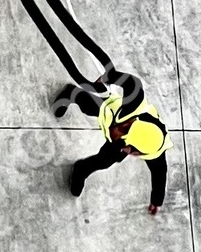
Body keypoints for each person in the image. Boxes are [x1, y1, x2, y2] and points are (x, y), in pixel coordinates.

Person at [56, 76, 168, 213]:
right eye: (126, 127)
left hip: (118, 144)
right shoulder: (132, 109)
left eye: (123, 133)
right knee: (94, 107)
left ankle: (81, 169)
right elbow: (132, 84)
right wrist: (111, 76)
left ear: (137, 153)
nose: (115, 131)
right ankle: (72, 94)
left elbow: (159, 173)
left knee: (104, 161)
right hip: (117, 113)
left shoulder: (153, 150)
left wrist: (157, 200)